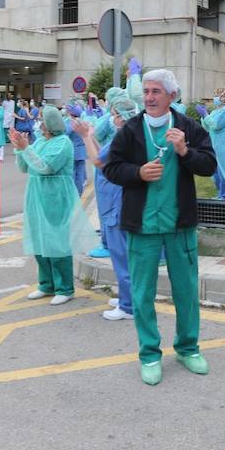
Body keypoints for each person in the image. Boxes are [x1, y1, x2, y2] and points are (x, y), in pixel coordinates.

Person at [102, 68, 217, 386]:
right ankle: (150, 353)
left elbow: (209, 165)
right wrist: (137, 173)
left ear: (171, 96)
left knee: (186, 291)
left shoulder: (187, 127)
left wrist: (185, 152)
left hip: (179, 225)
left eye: (156, 92)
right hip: (143, 226)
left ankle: (188, 348)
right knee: (142, 293)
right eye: (147, 91)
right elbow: (112, 168)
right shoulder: (131, 130)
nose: (149, 97)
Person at [13, 107, 87, 304]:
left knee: (57, 241)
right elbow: (24, 167)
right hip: (36, 196)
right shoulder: (40, 141)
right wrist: (20, 148)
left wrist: (26, 148)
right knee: (38, 239)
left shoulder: (63, 143)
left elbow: (46, 167)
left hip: (56, 197)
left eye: (42, 120)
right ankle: (46, 284)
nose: (39, 123)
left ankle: (65, 288)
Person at [78, 88, 138, 321]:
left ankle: (128, 306)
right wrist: (90, 135)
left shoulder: (122, 138)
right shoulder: (129, 134)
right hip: (117, 199)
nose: (112, 118)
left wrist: (85, 136)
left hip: (117, 202)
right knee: (125, 254)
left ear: (121, 116)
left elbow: (98, 161)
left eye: (113, 114)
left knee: (122, 256)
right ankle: (127, 296)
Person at [197, 89, 225, 200]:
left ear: (223, 97)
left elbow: (216, 125)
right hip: (216, 144)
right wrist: (203, 116)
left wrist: (206, 115)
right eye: (214, 95)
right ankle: (221, 193)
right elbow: (207, 127)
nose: (214, 97)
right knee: (216, 170)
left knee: (224, 170)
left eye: (217, 95)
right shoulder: (216, 111)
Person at [65, 100, 88, 194]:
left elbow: (66, 132)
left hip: (74, 151)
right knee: (80, 173)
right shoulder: (83, 121)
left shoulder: (72, 122)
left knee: (73, 173)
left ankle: (73, 193)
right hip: (82, 151)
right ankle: (79, 191)